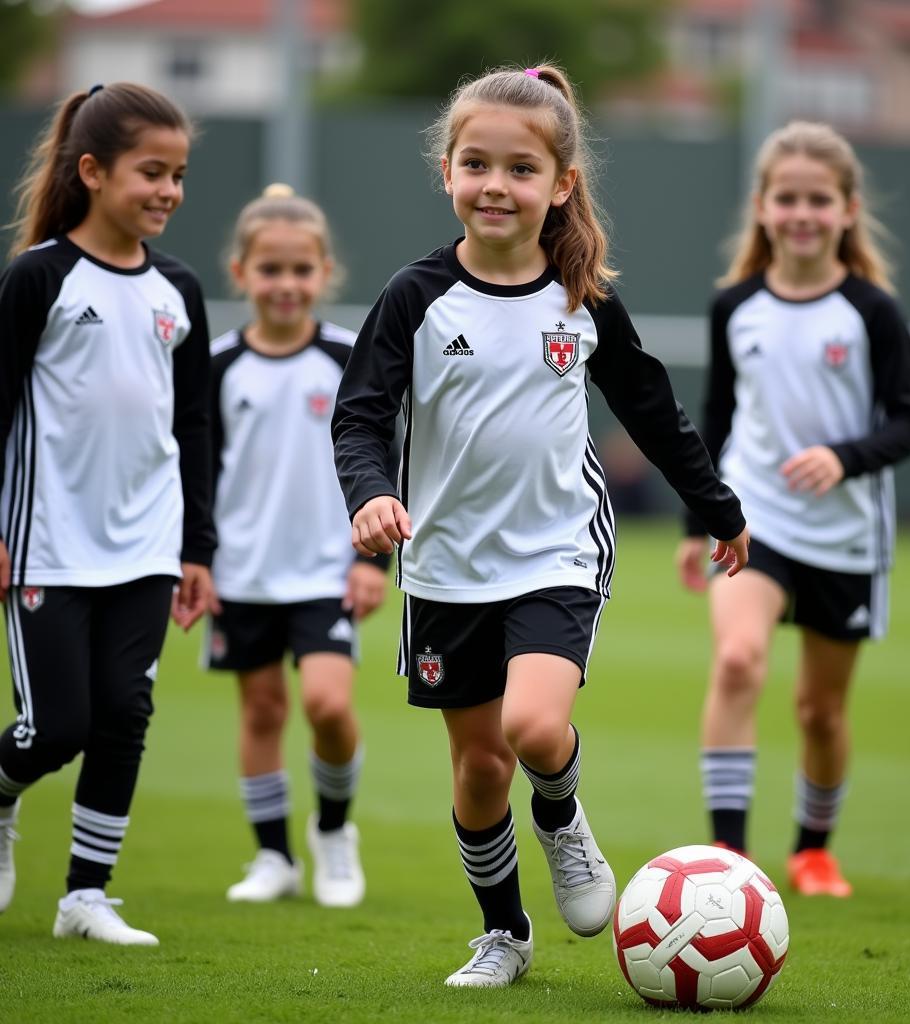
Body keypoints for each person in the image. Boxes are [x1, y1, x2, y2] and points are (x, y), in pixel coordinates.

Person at [332, 64, 749, 988]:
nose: (495, 185)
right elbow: (360, 413)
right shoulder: (415, 297)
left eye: (520, 169)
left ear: (560, 184)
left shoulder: (582, 297)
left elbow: (651, 408)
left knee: (530, 724)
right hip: (443, 567)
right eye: (475, 163)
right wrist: (368, 493)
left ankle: (561, 817)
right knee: (479, 769)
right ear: (446, 171)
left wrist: (717, 508)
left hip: (557, 548)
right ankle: (504, 935)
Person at [677, 121, 910, 897]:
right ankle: (730, 856)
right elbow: (716, 416)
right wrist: (701, 522)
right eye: (786, 198)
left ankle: (813, 850)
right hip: (755, 519)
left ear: (848, 209)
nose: (801, 213)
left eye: (818, 199)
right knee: (737, 660)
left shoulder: (870, 311)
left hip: (847, 537)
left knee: (820, 712)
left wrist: (845, 456)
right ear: (761, 205)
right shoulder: (735, 305)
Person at [0, 82, 215, 944]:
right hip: (47, 540)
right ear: (91, 171)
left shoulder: (180, 289)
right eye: (150, 173)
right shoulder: (38, 277)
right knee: (60, 725)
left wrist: (198, 546)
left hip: (149, 542)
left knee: (125, 713)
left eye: (179, 175)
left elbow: (194, 424)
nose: (167, 191)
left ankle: (85, 897)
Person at [204, 184, 388, 908]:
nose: (286, 285)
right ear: (240, 271)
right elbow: (196, 473)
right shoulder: (216, 365)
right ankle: (274, 857)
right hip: (241, 573)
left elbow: (381, 454)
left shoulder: (347, 355)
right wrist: (199, 561)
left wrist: (373, 560)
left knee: (328, 706)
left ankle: (335, 835)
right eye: (270, 269)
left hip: (325, 571)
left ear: (325, 271)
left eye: (300, 270)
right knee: (260, 712)